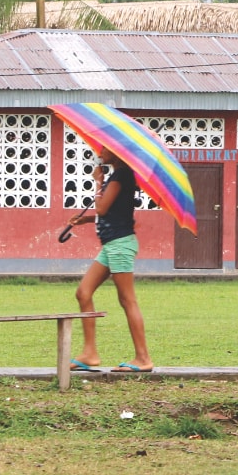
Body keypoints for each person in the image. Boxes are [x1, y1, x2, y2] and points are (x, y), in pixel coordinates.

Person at [68, 147, 153, 373]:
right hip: (111, 246)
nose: (100, 151)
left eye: (105, 149)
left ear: (117, 152)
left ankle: (143, 358)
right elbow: (113, 211)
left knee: (128, 300)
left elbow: (103, 208)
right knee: (83, 293)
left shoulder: (122, 175)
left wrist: (98, 181)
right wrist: (85, 220)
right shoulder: (118, 176)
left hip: (120, 245)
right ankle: (89, 354)